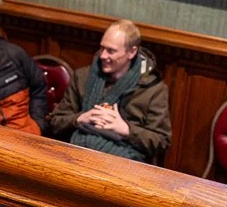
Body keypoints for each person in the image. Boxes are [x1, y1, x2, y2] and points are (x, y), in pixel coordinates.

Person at [45, 19, 170, 164]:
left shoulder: (153, 89)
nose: (103, 56)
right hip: (76, 154)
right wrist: (80, 118)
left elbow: (161, 141)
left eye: (111, 51)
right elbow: (55, 122)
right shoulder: (83, 77)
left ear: (131, 52)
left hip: (125, 163)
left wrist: (127, 130)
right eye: (102, 48)